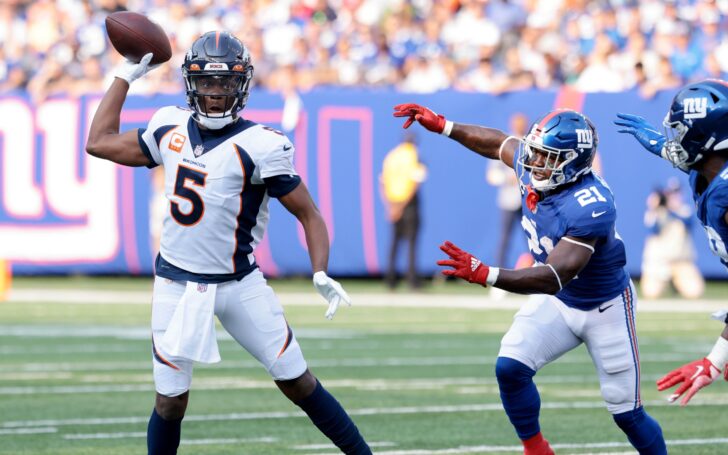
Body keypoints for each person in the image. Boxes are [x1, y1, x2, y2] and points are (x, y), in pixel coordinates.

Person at [85, 31, 371, 455]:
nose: (215, 93)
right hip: (176, 285)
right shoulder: (169, 125)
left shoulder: (263, 145)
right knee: (169, 402)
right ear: (190, 83)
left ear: (242, 85)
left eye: (224, 83)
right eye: (206, 82)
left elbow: (308, 213)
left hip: (239, 284)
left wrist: (320, 270)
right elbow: (98, 142)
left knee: (298, 381)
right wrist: (123, 76)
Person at [393, 104, 666, 455]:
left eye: (546, 156)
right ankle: (536, 448)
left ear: (573, 161)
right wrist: (446, 126)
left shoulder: (592, 204)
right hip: (559, 302)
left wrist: (486, 273)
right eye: (535, 152)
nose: (534, 161)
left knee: (626, 413)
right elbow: (498, 144)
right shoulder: (536, 163)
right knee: (509, 367)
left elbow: (555, 275)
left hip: (604, 307)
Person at [615, 79, 728, 406]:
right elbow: (674, 153)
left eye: (679, 131)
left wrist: (714, 360)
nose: (672, 139)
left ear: (703, 135)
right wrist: (652, 139)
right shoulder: (706, 170)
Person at [641, 180, 704, 300]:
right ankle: (667, 285)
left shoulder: (684, 210)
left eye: (677, 193)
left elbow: (689, 224)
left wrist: (671, 209)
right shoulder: (655, 212)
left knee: (694, 292)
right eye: (671, 193)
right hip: (659, 263)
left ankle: (677, 285)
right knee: (651, 294)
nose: (674, 196)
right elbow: (654, 230)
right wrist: (655, 208)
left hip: (681, 262)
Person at [380, 132, 427, 290]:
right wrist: (401, 207)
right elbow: (415, 183)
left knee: (394, 243)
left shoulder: (392, 156)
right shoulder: (414, 155)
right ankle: (412, 280)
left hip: (393, 202)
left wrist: (390, 207)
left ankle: (390, 280)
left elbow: (382, 182)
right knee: (411, 244)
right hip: (408, 204)